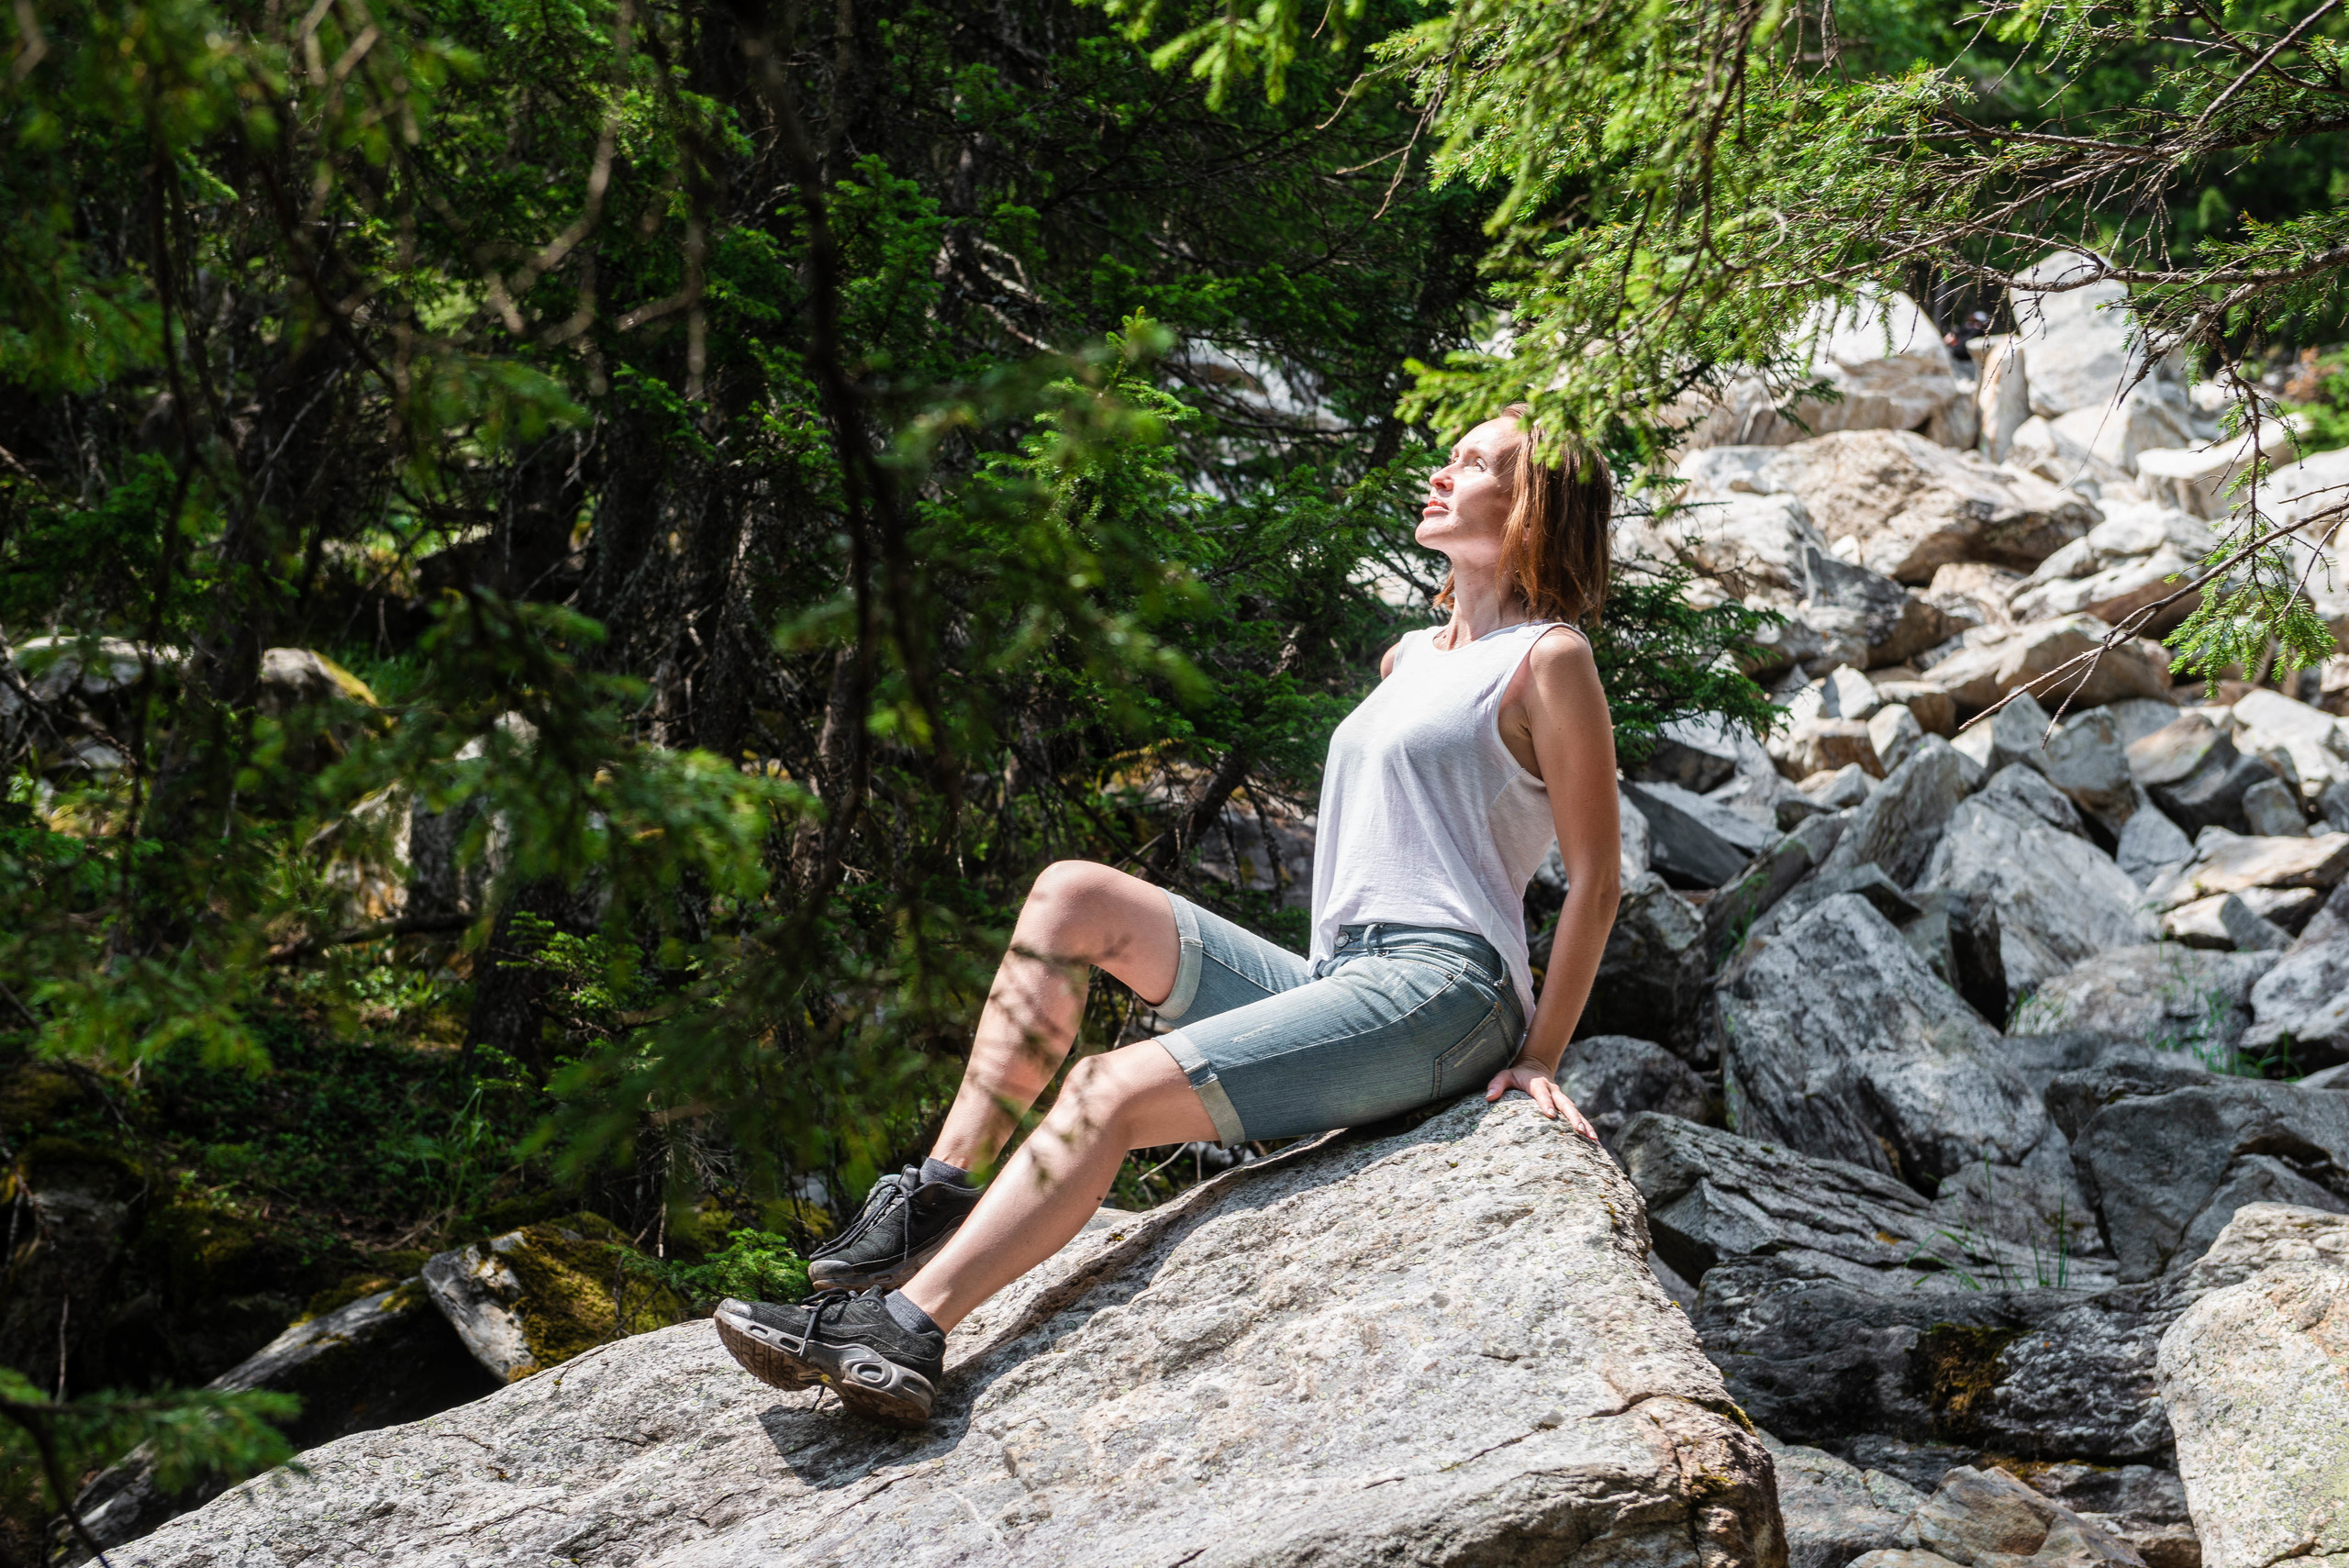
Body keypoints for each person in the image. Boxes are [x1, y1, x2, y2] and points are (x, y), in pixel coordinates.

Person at [713, 404, 1625, 1426]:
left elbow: (1596, 878)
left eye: (1473, 462)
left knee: (1107, 1087)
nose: (1442, 471)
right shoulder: (1409, 655)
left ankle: (905, 1325)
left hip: (1443, 989)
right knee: (1071, 893)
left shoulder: (1549, 659)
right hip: (1341, 979)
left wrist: (1541, 1055)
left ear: (1532, 505)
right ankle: (936, 1190)